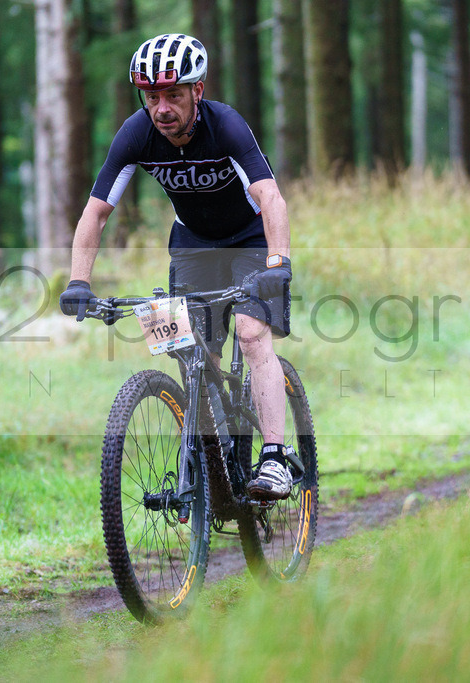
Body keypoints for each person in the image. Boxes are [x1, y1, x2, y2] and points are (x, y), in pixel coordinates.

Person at [58, 33, 295, 501]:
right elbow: (96, 212)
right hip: (192, 242)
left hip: (249, 238)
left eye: (172, 95)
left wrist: (278, 262)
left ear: (197, 92)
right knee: (180, 344)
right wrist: (78, 281)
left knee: (250, 331)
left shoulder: (226, 126)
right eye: (152, 97)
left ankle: (274, 458)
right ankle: (213, 461)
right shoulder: (136, 134)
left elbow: (270, 197)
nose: (161, 108)